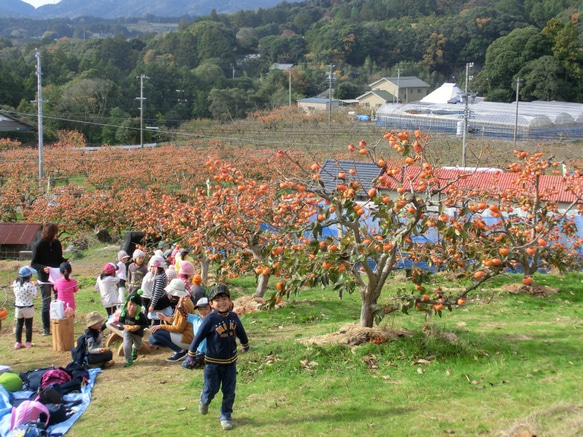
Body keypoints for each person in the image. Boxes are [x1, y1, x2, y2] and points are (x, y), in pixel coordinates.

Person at [191, 284, 249, 431]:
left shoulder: (234, 317)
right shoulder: (210, 319)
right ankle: (205, 400)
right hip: (213, 363)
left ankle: (226, 416)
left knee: (229, 391)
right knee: (212, 388)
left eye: (224, 299)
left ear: (230, 300)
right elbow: (198, 337)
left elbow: (241, 332)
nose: (221, 302)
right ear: (211, 304)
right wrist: (191, 353)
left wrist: (245, 344)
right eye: (217, 300)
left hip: (230, 362)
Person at [31, 223, 67, 335]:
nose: (56, 235)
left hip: (56, 277)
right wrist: (43, 268)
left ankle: (59, 323)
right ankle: (46, 328)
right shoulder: (39, 245)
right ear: (51, 233)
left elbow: (59, 258)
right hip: (45, 278)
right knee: (46, 302)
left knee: (59, 301)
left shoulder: (57, 243)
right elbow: (34, 263)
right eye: (55, 232)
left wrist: (65, 261)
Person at [148, 278, 194, 362]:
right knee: (153, 338)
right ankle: (181, 349)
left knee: (156, 334)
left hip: (186, 337)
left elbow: (179, 328)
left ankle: (181, 351)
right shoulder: (183, 300)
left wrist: (161, 326)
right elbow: (176, 320)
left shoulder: (183, 305)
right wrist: (165, 318)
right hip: (185, 335)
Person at [118, 292, 148, 368]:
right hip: (127, 331)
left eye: (135, 305)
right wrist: (125, 326)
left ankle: (134, 349)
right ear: (126, 304)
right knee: (126, 346)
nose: (132, 307)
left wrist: (138, 326)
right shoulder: (124, 313)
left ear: (138, 307)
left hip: (137, 332)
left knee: (138, 345)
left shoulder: (140, 316)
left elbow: (145, 324)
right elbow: (120, 322)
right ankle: (128, 360)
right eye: (130, 304)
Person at [12, 266, 38, 349]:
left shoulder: (15, 283)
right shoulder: (28, 285)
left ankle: (18, 342)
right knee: (28, 326)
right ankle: (28, 343)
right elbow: (34, 295)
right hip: (28, 308)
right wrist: (34, 286)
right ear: (29, 276)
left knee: (19, 325)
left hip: (18, 308)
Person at [182, 297, 211, 370]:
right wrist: (180, 302)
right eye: (200, 309)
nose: (203, 312)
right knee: (186, 365)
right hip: (199, 351)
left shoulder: (214, 320)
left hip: (212, 351)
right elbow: (183, 313)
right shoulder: (195, 319)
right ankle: (201, 361)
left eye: (206, 309)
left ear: (211, 309)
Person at [147, 255, 171, 325]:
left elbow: (157, 292)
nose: (151, 269)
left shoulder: (160, 277)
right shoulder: (162, 275)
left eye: (152, 267)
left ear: (156, 267)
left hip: (159, 302)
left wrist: (152, 305)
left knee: (157, 319)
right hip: (161, 300)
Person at [95, 262, 120, 328]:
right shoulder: (109, 279)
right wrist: (116, 274)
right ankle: (101, 329)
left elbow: (97, 288)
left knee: (111, 316)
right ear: (112, 272)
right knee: (112, 318)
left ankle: (111, 330)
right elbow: (118, 279)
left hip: (105, 301)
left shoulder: (99, 278)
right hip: (112, 301)